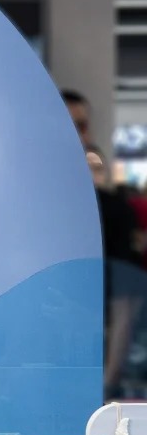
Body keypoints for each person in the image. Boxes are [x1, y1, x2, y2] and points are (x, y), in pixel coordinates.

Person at [87, 145, 144, 397]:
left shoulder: (115, 208)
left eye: (95, 168)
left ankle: (109, 380)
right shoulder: (114, 206)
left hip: (114, 277)